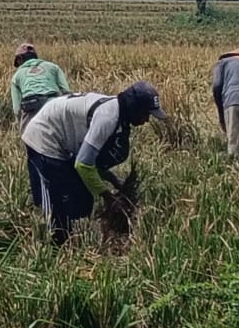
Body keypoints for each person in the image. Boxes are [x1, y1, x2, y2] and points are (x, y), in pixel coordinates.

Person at [22, 81, 166, 245]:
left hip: (61, 139)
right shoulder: (108, 118)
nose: (147, 120)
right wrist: (108, 196)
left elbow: (89, 160)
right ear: (134, 107)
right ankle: (52, 245)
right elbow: (82, 164)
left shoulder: (118, 112)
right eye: (145, 113)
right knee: (58, 199)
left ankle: (70, 238)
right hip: (44, 136)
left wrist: (113, 180)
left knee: (82, 198)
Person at [10, 43, 71, 208]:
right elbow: (66, 92)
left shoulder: (17, 76)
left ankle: (41, 201)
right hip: (55, 110)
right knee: (65, 151)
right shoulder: (53, 67)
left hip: (31, 112)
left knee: (34, 156)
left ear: (20, 59)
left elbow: (17, 109)